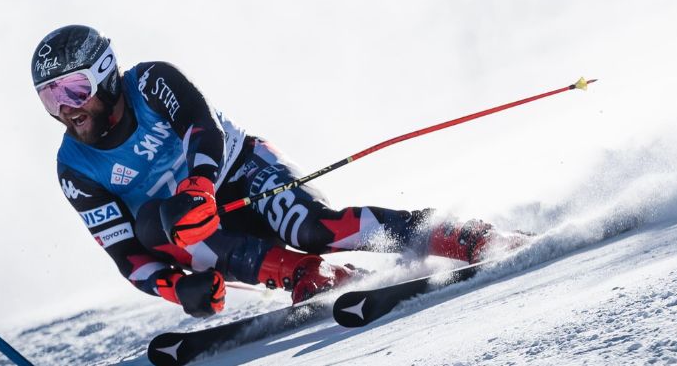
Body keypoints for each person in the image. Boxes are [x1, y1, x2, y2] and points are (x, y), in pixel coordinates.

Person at [32, 25, 524, 318]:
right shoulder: (74, 167)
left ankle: (454, 233)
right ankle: (304, 275)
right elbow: (126, 255)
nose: (66, 109)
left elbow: (202, 128)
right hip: (200, 227)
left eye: (73, 90)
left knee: (315, 228)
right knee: (155, 223)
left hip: (241, 172)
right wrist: (179, 289)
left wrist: (201, 184)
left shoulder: (150, 80)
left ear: (104, 72)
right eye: (50, 98)